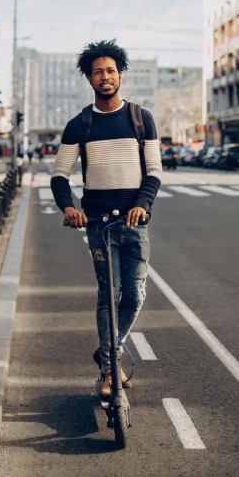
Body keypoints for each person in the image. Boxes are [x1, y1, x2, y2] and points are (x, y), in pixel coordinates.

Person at [50, 40, 162, 400]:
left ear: (120, 74)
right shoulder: (79, 125)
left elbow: (155, 172)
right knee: (109, 294)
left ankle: (109, 348)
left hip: (135, 222)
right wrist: (68, 207)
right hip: (98, 225)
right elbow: (59, 175)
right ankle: (108, 371)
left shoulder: (140, 119)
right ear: (89, 78)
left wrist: (142, 204)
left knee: (136, 294)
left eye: (111, 70)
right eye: (98, 71)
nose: (105, 77)